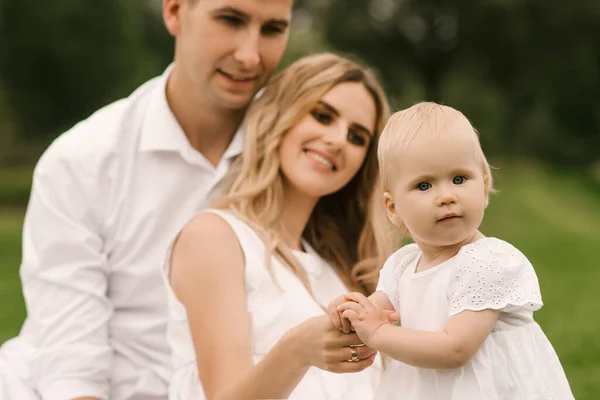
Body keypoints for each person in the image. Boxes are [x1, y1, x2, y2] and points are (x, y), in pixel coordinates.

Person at [0, 0, 294, 399]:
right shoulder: (82, 161)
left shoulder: (299, 158)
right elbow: (70, 358)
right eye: (230, 20)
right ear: (174, 12)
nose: (249, 55)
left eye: (273, 29)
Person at [165, 52, 400, 400]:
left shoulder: (341, 269)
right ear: (280, 116)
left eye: (357, 137)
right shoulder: (215, 237)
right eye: (322, 116)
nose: (337, 140)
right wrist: (296, 350)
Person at [328, 102, 575, 399]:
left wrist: (379, 334)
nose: (446, 196)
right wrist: (351, 312)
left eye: (459, 179)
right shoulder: (403, 264)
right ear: (393, 208)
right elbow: (375, 312)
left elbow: (456, 349)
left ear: (483, 188)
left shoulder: (486, 262)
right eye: (424, 186)